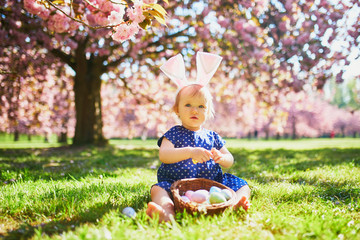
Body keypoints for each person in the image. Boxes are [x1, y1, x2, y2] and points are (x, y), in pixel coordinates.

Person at [146, 52, 251, 222]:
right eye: (188, 105)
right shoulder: (174, 133)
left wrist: (221, 157)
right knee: (157, 190)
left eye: (201, 106)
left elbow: (230, 160)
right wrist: (189, 152)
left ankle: (233, 205)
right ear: (177, 109)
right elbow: (164, 155)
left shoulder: (213, 136)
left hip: (212, 186)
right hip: (176, 185)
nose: (194, 110)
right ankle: (166, 212)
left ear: (208, 112)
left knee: (242, 185)